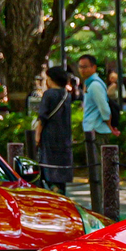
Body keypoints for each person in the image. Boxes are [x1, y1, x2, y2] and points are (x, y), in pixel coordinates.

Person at [76, 53, 114, 213]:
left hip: (98, 131)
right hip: (92, 131)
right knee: (96, 168)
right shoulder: (90, 84)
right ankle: (100, 203)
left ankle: (105, 204)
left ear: (93, 68)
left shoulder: (95, 85)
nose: (82, 70)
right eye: (80, 67)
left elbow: (104, 109)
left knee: (101, 169)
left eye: (85, 66)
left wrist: (109, 125)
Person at [34, 63, 74, 192]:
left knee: (47, 163)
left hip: (50, 134)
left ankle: (53, 188)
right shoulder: (67, 94)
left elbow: (43, 117)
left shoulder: (49, 94)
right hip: (64, 135)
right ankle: (60, 188)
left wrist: (37, 135)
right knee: (61, 165)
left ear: (51, 79)